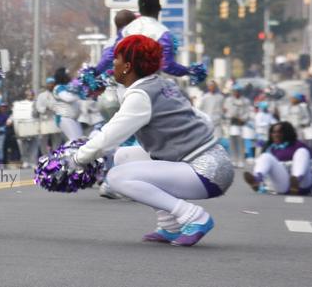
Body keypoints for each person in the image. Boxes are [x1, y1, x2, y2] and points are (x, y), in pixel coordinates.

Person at [68, 35, 233, 247]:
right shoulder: (164, 84)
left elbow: (108, 137)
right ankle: (170, 225)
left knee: (117, 177)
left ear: (127, 66)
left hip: (205, 173)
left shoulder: (140, 95)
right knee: (124, 156)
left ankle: (193, 216)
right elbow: (204, 119)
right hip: (213, 161)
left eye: (116, 59)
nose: (113, 65)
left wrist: (77, 159)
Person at [119, 0, 190, 77]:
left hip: (127, 84)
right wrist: (189, 71)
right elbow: (167, 66)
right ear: (158, 9)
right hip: (150, 84)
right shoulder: (162, 33)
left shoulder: (126, 30)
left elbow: (116, 59)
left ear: (140, 9)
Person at [244, 121, 312, 195]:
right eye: (273, 132)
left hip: (303, 183)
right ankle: (256, 180)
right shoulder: (269, 148)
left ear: (286, 133)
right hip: (284, 185)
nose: (275, 135)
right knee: (265, 156)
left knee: (302, 151)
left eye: (279, 132)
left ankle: (296, 180)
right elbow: (263, 164)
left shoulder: (298, 145)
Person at [52, 67, 82, 142]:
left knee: (80, 140)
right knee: (74, 141)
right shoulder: (58, 87)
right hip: (64, 117)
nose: (69, 76)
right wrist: (78, 95)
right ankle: (62, 153)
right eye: (67, 74)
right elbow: (67, 98)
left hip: (73, 118)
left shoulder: (69, 86)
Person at [223, 84, 251, 165]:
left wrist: (242, 119)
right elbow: (225, 111)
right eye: (235, 91)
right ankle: (233, 160)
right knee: (232, 143)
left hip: (240, 124)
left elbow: (247, 112)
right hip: (231, 123)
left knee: (240, 143)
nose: (236, 93)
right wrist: (230, 116)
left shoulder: (246, 101)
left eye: (238, 91)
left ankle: (240, 160)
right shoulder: (228, 100)